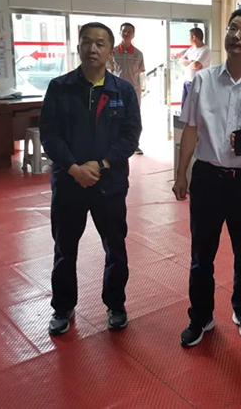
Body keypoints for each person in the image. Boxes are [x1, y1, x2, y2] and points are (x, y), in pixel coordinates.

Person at [172, 9, 241, 348]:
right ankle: (200, 317)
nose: (236, 35)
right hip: (207, 177)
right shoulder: (203, 80)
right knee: (201, 254)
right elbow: (191, 129)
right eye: (232, 28)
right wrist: (181, 174)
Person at [39, 22, 141, 336]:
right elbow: (50, 135)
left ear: (110, 51)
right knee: (64, 249)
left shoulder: (122, 91)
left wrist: (102, 164)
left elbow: (130, 135)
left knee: (115, 249)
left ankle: (115, 304)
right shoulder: (60, 87)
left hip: (110, 185)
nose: (92, 49)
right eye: (87, 42)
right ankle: (62, 307)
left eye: (100, 43)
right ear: (78, 47)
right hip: (69, 184)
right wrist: (73, 168)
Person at [112, 22, 145, 154]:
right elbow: (109, 70)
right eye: (124, 31)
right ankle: (115, 143)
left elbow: (141, 73)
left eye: (129, 32)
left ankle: (134, 144)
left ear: (133, 35)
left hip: (134, 91)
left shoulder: (138, 54)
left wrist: (142, 89)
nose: (126, 34)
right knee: (116, 115)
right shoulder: (112, 52)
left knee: (134, 118)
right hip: (117, 90)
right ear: (120, 33)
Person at [180, 27, 211, 108]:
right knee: (184, 109)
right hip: (187, 82)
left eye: (189, 36)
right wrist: (191, 62)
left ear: (193, 37)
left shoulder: (205, 50)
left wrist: (189, 63)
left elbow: (196, 65)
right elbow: (181, 61)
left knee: (194, 109)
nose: (188, 39)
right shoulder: (191, 49)